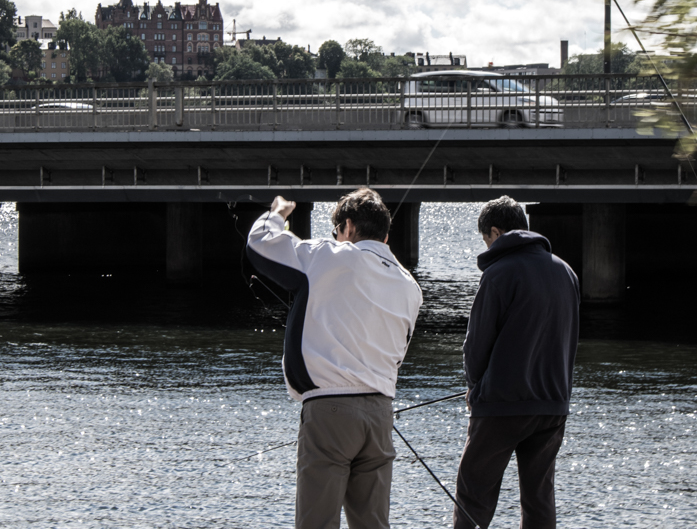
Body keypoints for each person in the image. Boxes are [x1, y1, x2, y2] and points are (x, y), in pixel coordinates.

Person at [245, 188, 422, 529]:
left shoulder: (329, 255)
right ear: (385, 234)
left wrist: (278, 213)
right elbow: (399, 353)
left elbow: (260, 244)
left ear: (348, 226)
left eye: (337, 231)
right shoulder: (409, 285)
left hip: (329, 411)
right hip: (380, 414)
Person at [453, 196, 580, 529]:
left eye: (486, 239)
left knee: (473, 492)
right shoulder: (566, 272)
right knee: (539, 499)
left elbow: (476, 346)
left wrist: (474, 387)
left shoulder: (498, 273)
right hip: (553, 405)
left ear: (495, 232)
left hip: (503, 405)